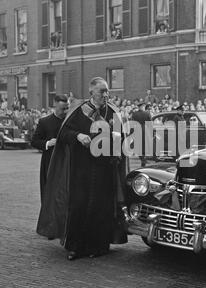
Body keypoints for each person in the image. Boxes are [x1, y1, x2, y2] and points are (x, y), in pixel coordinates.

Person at [37, 77, 128, 261]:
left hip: (104, 169)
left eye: (107, 91)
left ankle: (99, 247)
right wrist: (78, 136)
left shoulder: (113, 112)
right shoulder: (78, 111)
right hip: (81, 169)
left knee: (101, 209)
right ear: (91, 93)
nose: (105, 95)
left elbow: (123, 138)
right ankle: (76, 247)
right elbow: (64, 134)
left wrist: (119, 139)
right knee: (79, 206)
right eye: (102, 91)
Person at [31, 94, 69, 204]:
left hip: (67, 162)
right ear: (55, 105)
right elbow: (34, 141)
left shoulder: (70, 121)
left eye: (67, 108)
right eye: (63, 109)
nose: (65, 111)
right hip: (50, 162)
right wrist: (48, 143)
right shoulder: (45, 122)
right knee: (50, 194)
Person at [131, 102, 152, 167]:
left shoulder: (134, 114)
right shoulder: (147, 114)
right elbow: (150, 124)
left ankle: (142, 158)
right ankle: (143, 158)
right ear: (143, 107)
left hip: (137, 130)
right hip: (145, 130)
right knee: (145, 146)